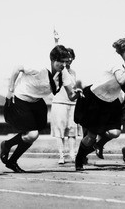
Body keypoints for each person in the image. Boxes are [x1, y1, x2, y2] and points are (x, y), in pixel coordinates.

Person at [0, 45, 83, 173]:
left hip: (37, 101)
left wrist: (77, 93)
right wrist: (10, 90)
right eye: (61, 62)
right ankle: (11, 157)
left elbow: (71, 96)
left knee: (31, 135)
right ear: (52, 60)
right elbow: (17, 68)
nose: (63, 65)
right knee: (32, 134)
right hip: (21, 99)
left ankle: (8, 147)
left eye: (66, 62)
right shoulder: (39, 67)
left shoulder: (64, 73)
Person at [74, 37, 125, 171]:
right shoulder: (117, 62)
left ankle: (97, 145)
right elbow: (122, 80)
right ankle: (79, 158)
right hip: (95, 98)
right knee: (91, 137)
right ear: (123, 49)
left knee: (115, 132)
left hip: (111, 102)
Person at [51, 30, 78, 164]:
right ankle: (61, 155)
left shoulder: (73, 72)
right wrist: (56, 40)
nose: (69, 60)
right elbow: (56, 52)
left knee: (72, 131)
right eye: (67, 57)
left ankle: (72, 154)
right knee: (59, 131)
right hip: (59, 103)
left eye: (71, 57)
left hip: (72, 103)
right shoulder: (59, 69)